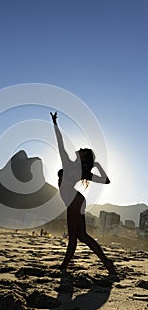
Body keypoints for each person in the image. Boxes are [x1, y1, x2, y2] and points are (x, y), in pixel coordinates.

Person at [50, 111, 116, 274]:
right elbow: (60, 143)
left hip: (74, 200)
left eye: (82, 152)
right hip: (76, 200)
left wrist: (98, 165)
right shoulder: (69, 164)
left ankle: (63, 266)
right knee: (82, 236)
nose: (79, 150)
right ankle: (107, 262)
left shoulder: (82, 171)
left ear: (84, 158)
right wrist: (55, 124)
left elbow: (106, 181)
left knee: (74, 237)